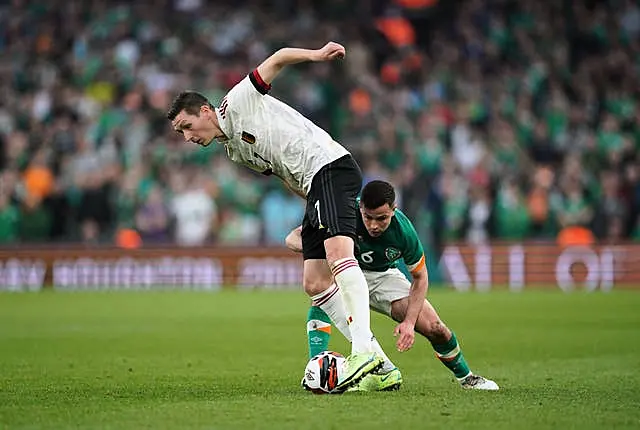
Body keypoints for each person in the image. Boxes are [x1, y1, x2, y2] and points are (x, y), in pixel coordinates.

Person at [167, 42, 385, 392]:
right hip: (316, 186)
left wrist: (316, 55)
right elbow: (286, 174)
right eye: (181, 133)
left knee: (339, 257)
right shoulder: (234, 151)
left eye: (187, 126)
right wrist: (315, 210)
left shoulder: (238, 101)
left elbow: (279, 57)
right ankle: (383, 365)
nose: (188, 137)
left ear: (206, 110)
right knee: (314, 282)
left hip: (329, 167)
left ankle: (361, 352)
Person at [286, 180, 499, 391]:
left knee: (436, 328)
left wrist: (408, 322)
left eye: (382, 218)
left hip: (384, 277)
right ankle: (315, 368)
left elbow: (421, 278)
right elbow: (292, 238)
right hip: (348, 272)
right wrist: (323, 250)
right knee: (321, 291)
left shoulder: (404, 231)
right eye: (368, 217)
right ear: (360, 208)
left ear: (394, 210)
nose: (373, 225)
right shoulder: (344, 212)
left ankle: (467, 378)